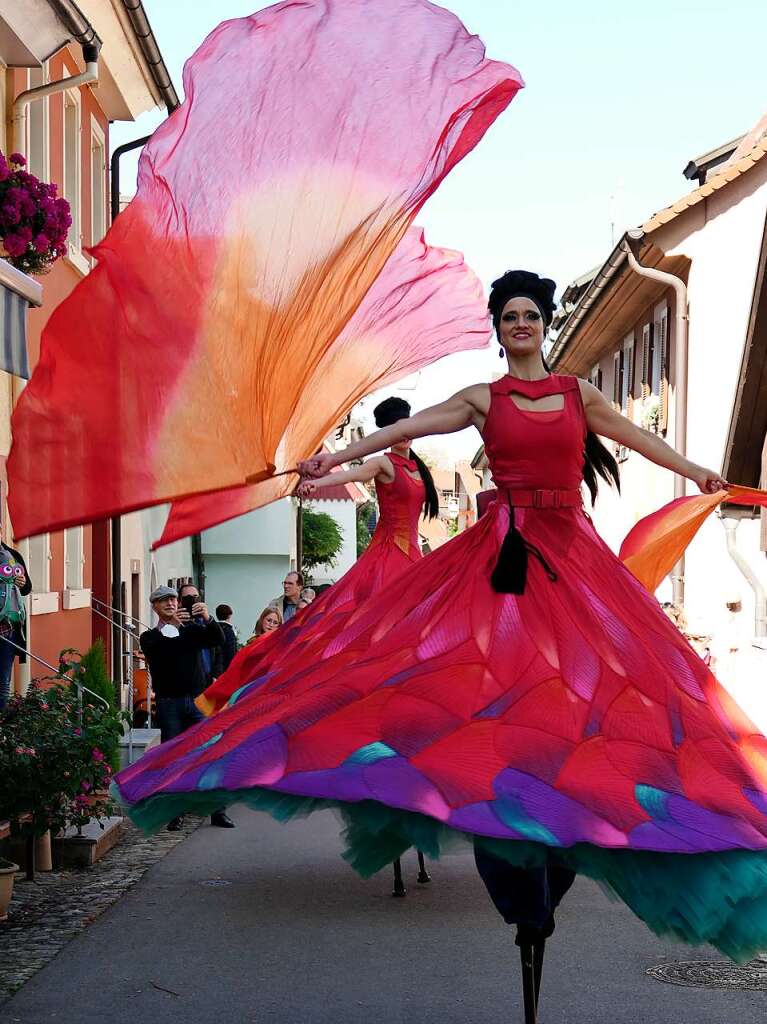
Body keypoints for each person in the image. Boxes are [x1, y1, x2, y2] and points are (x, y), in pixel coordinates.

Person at [115, 270, 767, 982]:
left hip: (570, 556)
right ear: (497, 327)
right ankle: (509, 868)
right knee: (470, 690)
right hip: (503, 555)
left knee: (601, 697)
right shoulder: (483, 399)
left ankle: (562, 853)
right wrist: (342, 455)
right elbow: (410, 426)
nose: (519, 324)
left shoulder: (578, 395)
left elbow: (636, 439)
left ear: (543, 324)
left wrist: (699, 469)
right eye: (508, 316)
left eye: (529, 315)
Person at [193, 395, 438, 718]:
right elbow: (351, 475)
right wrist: (318, 482)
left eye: (407, 424)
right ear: (386, 431)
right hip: (387, 557)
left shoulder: (418, 467)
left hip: (412, 559)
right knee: (347, 631)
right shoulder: (384, 462)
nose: (404, 431)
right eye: (396, 426)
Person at [139, 585, 234, 831]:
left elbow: (218, 639)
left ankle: (217, 811)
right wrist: (177, 628)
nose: (170, 604)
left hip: (197, 700)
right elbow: (166, 650)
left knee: (210, 753)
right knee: (174, 759)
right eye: (163, 601)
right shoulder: (150, 637)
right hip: (169, 703)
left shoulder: (191, 630)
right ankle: (176, 812)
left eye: (172, 599)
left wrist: (207, 618)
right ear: (155, 607)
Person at [0, 541, 31, 711]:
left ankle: (1, 730)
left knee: (3, 684)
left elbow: (27, 588)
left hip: (7, 630)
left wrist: (22, 581)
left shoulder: (12, 556)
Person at [178, 582, 219, 688]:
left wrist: (216, 675)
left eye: (196, 597)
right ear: (179, 602)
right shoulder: (178, 624)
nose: (192, 601)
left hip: (209, 680)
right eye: (188, 598)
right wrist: (176, 624)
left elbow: (219, 644)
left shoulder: (206, 623)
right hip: (189, 685)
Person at [212, 603, 238, 676]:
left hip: (214, 668)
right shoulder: (229, 631)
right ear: (229, 615)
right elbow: (231, 652)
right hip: (226, 669)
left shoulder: (213, 629)